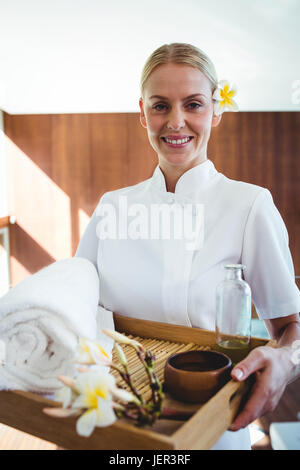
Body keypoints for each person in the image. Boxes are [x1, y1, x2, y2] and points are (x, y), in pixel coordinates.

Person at [75, 43, 300, 450]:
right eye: (160, 106)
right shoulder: (113, 206)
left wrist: (287, 359)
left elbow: (290, 327)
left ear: (215, 110)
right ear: (142, 114)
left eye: (193, 104)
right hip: (115, 416)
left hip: (210, 426)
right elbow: (74, 303)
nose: (176, 122)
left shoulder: (249, 205)